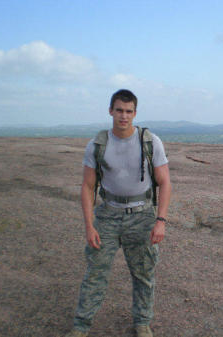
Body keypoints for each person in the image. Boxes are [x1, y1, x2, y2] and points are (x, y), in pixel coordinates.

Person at [65, 89, 171, 337]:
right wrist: (89, 225)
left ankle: (142, 323)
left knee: (143, 273)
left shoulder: (150, 142)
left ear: (135, 113)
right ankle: (81, 327)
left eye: (129, 111)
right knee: (95, 274)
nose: (124, 116)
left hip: (142, 215)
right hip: (108, 216)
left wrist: (161, 221)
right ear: (110, 110)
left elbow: (165, 182)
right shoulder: (97, 145)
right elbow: (88, 186)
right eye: (119, 110)